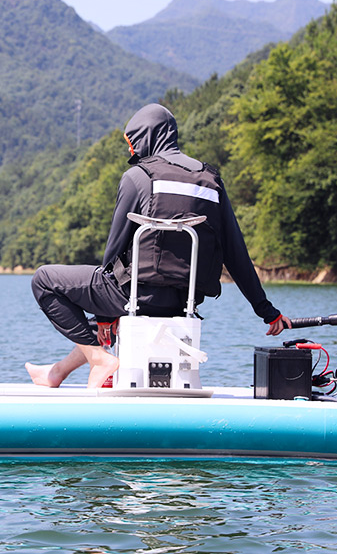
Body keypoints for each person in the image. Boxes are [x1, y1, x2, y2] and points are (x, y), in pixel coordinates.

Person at [26, 103, 290, 388]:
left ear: (147, 136)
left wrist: (104, 314)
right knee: (118, 309)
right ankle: (57, 373)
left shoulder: (138, 177)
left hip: (135, 295)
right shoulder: (212, 182)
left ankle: (100, 360)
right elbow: (237, 253)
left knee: (45, 280)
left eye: (133, 143)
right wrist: (267, 312)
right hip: (183, 302)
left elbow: (113, 250)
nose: (132, 151)